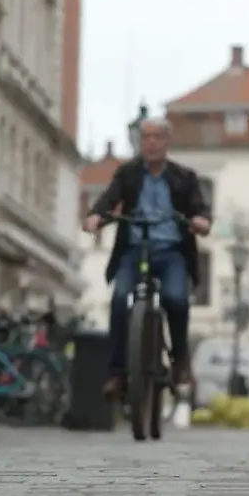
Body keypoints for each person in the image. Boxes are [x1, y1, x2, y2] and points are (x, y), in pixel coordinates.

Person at [82, 117, 212, 400]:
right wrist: (95, 216)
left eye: (157, 137)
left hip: (172, 251)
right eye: (146, 138)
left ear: (167, 142)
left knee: (176, 299)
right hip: (134, 250)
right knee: (119, 300)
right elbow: (109, 198)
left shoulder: (183, 177)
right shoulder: (127, 174)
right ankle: (117, 373)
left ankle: (179, 361)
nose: (151, 143)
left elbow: (199, 207)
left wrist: (201, 220)